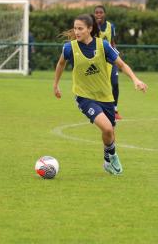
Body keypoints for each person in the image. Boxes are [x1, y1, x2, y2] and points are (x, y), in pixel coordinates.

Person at [53, 13, 147, 175]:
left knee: (109, 132)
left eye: (80, 28)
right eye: (75, 28)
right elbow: (61, 64)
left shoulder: (103, 46)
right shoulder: (70, 48)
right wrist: (56, 85)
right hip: (84, 97)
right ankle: (113, 156)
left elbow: (122, 65)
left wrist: (135, 80)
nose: (77, 31)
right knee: (107, 128)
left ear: (90, 29)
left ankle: (107, 161)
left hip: (105, 96)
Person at [94, 5, 123, 120]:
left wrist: (116, 55)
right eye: (96, 13)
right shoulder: (91, 26)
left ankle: (115, 109)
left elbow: (112, 42)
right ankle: (98, 109)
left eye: (101, 12)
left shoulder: (111, 26)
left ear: (104, 14)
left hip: (110, 58)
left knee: (114, 83)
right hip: (97, 60)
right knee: (99, 85)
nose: (99, 15)